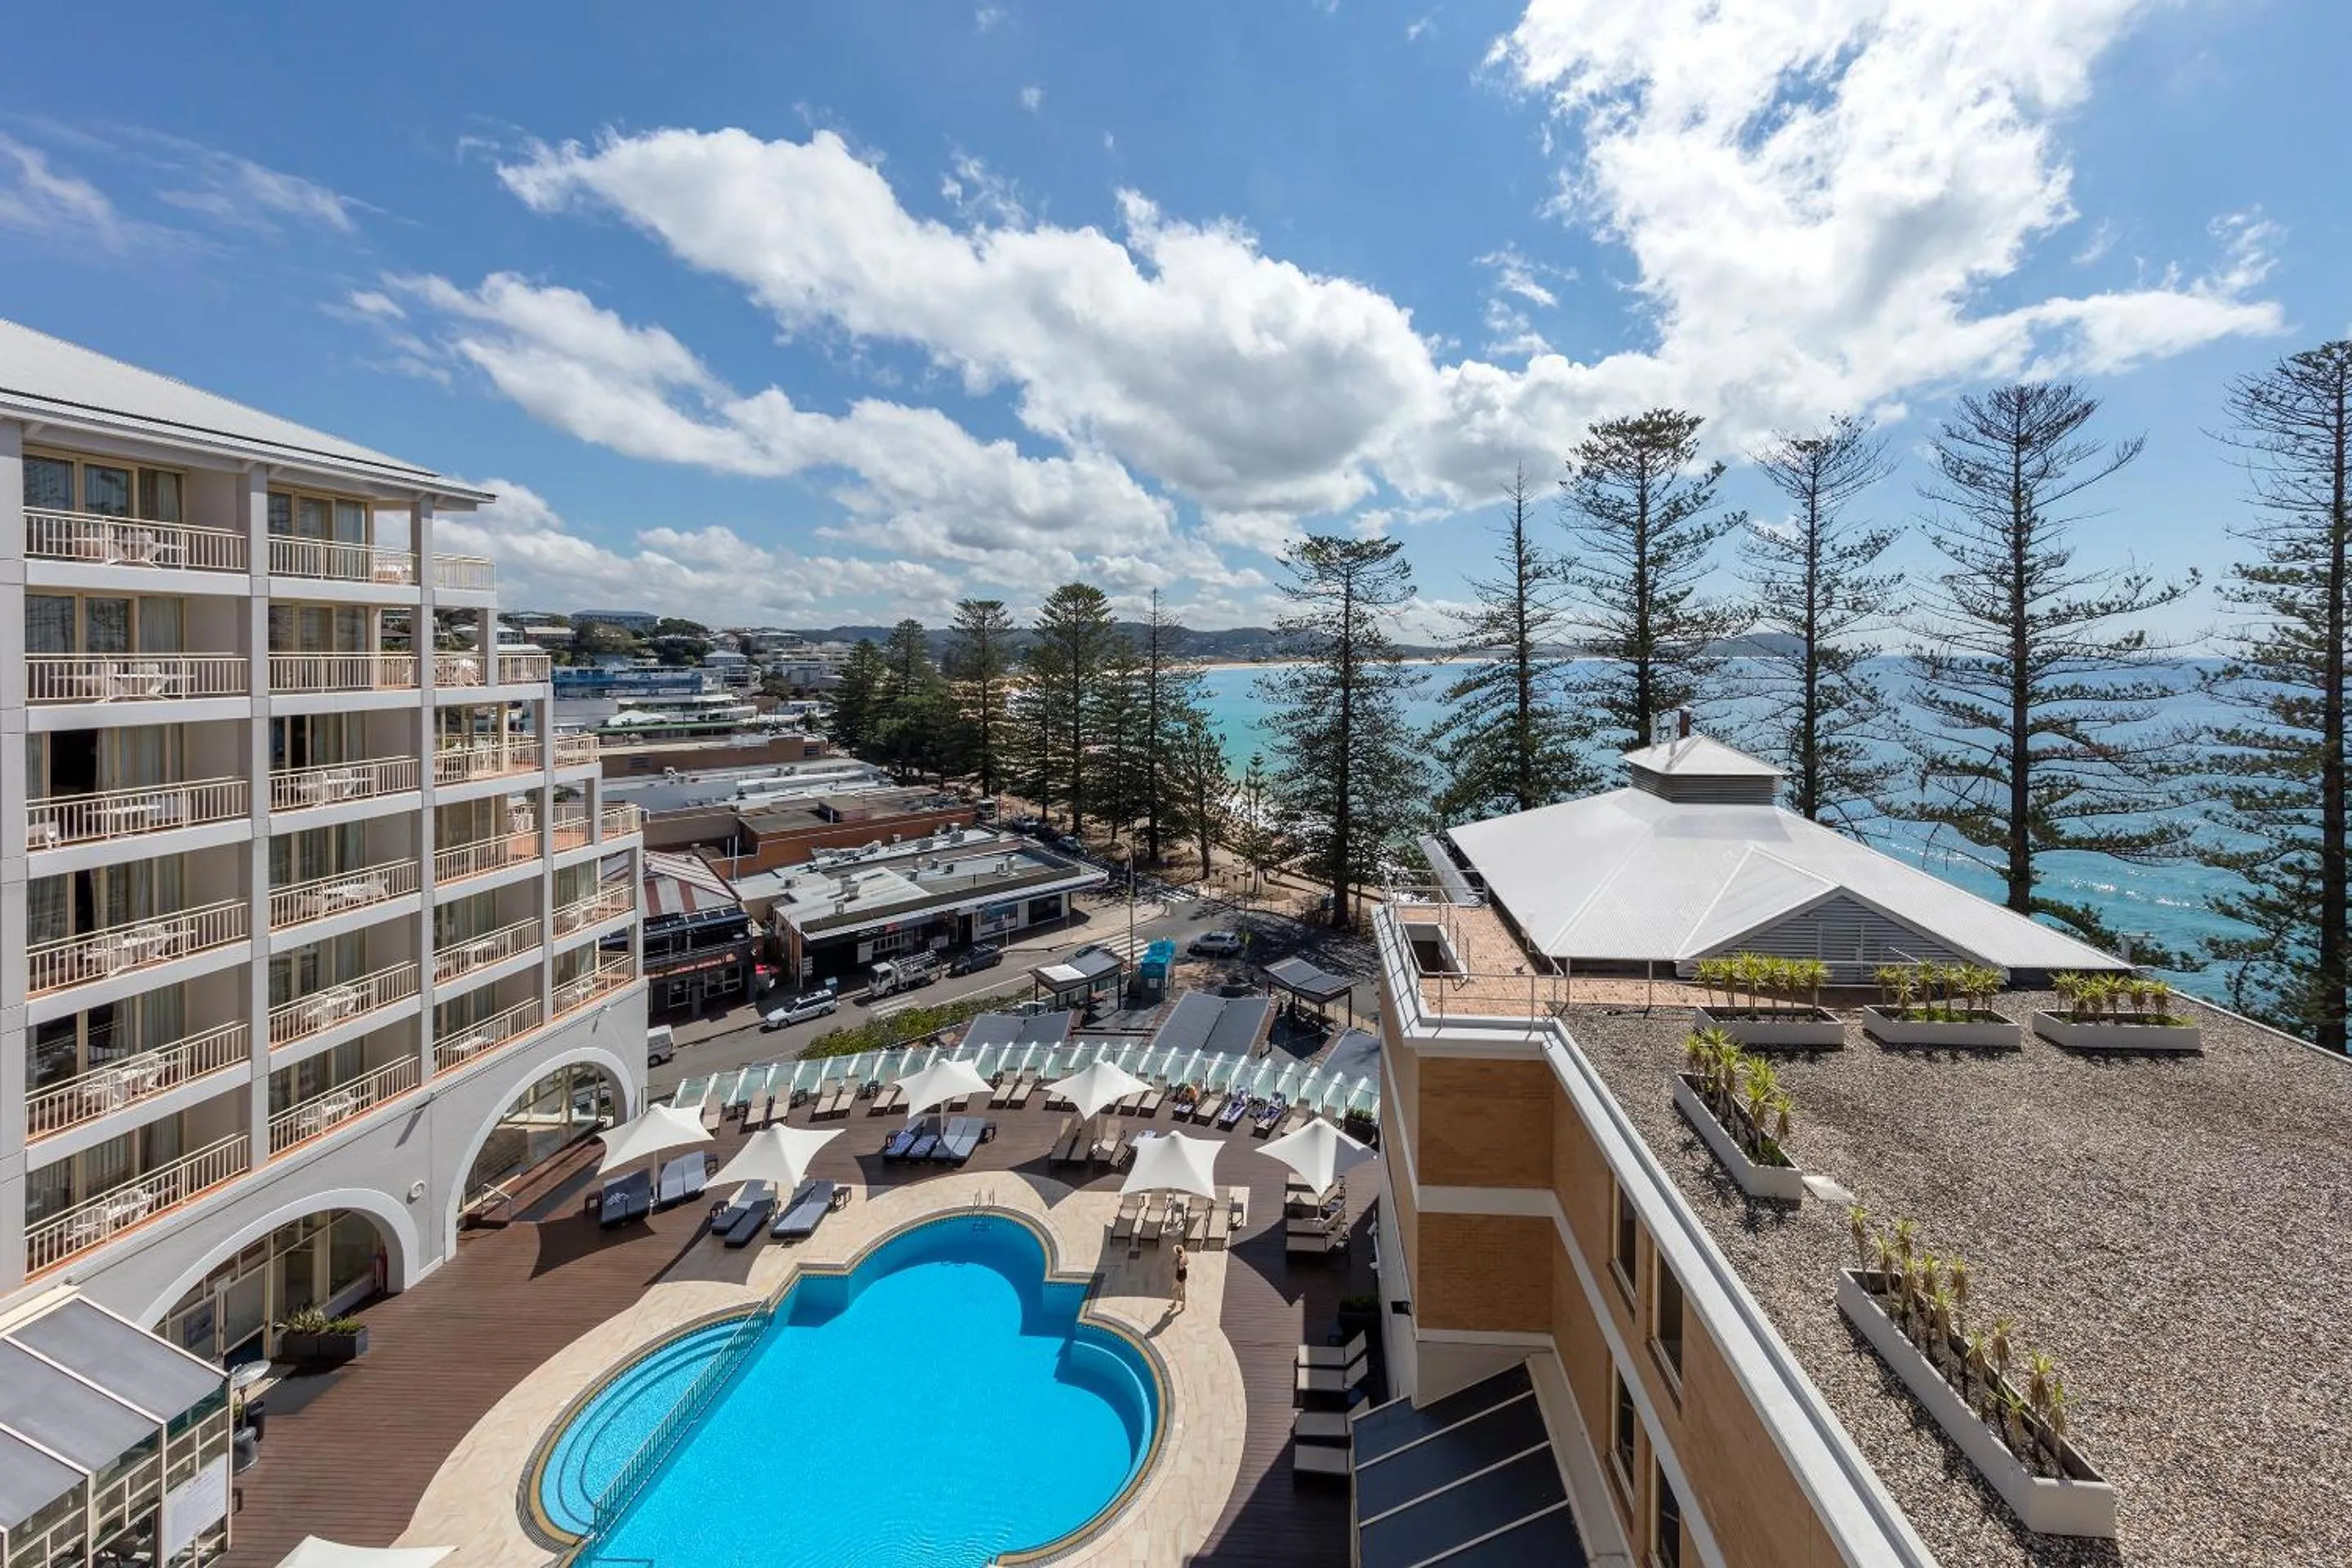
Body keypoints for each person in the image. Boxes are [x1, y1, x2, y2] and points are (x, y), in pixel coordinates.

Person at [1172, 1241, 1189, 1312]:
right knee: (1183, 1291)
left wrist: (1178, 1261)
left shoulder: (1180, 1259)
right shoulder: (1185, 1256)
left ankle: (1175, 1303)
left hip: (1180, 1276)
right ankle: (1183, 1305)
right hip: (1184, 1274)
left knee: (1174, 1289)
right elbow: (1187, 1262)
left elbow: (1180, 1268)